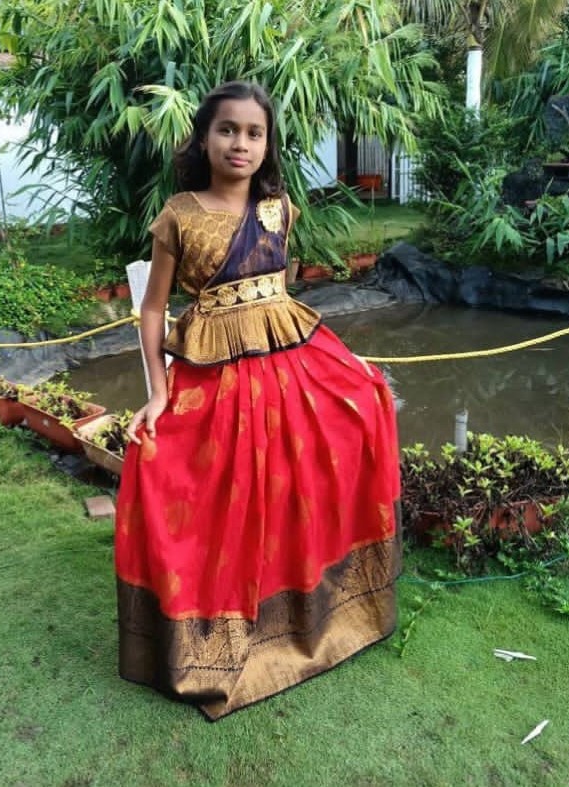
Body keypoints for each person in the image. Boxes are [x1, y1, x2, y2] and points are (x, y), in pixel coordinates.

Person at [114, 80, 400, 721]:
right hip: (213, 376)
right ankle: (208, 639)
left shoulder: (280, 210)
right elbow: (153, 309)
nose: (239, 143)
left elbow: (281, 297)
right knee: (203, 484)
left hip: (287, 365)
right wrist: (158, 393)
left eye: (253, 132)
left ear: (267, 144)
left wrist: (346, 365)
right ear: (203, 139)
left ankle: (322, 612)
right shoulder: (179, 215)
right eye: (227, 130)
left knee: (323, 451)